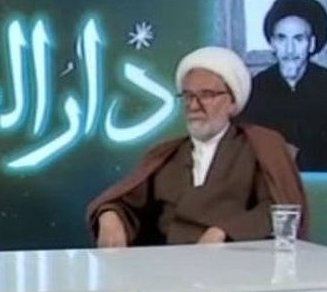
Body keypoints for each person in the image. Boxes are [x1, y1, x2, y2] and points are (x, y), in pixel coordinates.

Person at [86, 46, 310, 248]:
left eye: (206, 95)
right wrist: (110, 216)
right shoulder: (166, 155)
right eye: (188, 96)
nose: (194, 105)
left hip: (234, 267)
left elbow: (279, 209)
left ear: (232, 102)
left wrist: (224, 231)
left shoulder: (259, 146)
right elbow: (126, 203)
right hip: (167, 268)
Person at [240, 0, 327, 172]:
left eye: (299, 39)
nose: (290, 50)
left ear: (312, 44)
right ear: (272, 43)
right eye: (282, 38)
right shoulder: (257, 87)